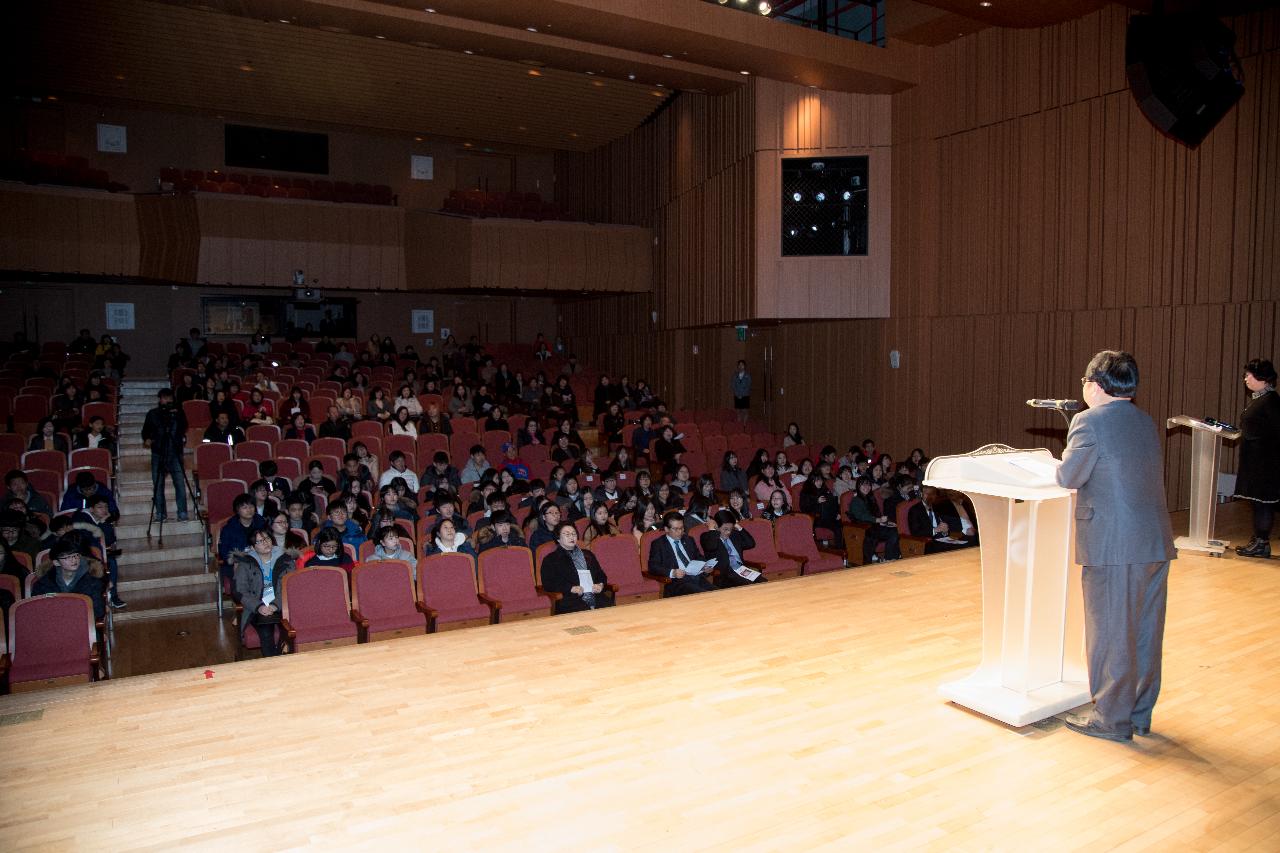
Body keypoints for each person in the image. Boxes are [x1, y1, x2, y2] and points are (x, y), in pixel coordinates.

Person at [1056, 350, 1175, 742]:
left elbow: (1070, 475)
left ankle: (1110, 718)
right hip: (1153, 540)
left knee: (1110, 632)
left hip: (1113, 544)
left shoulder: (1088, 421)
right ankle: (1138, 713)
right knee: (1144, 632)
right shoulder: (1144, 421)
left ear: (1093, 384)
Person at [1232, 358, 1279, 558]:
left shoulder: (1270, 401)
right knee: (1258, 503)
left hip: (1265, 463)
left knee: (1263, 503)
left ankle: (1262, 543)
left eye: (1249, 375)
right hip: (1257, 461)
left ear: (1263, 378)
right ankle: (1259, 538)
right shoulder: (1261, 398)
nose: (1246, 379)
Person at [233, 528, 297, 656]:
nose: (266, 543)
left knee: (288, 629)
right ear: (253, 547)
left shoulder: (286, 560)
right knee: (266, 631)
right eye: (260, 541)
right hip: (256, 608)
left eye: (267, 539)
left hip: (282, 605)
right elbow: (239, 590)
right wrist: (259, 607)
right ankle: (272, 666)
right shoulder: (246, 563)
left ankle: (280, 663)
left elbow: (291, 586)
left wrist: (275, 605)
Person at [540, 522, 614, 614]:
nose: (572, 537)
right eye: (567, 534)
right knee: (584, 611)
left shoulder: (588, 554)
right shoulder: (551, 559)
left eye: (574, 534)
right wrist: (570, 588)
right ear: (558, 538)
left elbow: (601, 574)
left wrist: (600, 585)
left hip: (594, 594)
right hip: (569, 598)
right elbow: (549, 583)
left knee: (610, 608)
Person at [141, 388, 189, 521]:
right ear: (160, 399)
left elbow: (184, 426)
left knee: (179, 483)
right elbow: (146, 431)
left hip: (175, 453)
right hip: (158, 452)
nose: (167, 400)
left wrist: (176, 414)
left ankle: (182, 512)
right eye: (164, 398)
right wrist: (148, 439)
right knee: (158, 484)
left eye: (170, 398)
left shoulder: (178, 413)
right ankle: (160, 513)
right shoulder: (153, 414)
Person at [33, 539, 106, 621]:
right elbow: (37, 612)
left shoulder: (92, 582)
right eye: (67, 557)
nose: (74, 560)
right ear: (56, 562)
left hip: (81, 624)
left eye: (76, 555)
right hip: (52, 625)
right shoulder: (43, 584)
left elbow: (98, 611)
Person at [646, 511, 716, 596]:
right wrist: (672, 572)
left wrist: (705, 567)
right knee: (704, 595)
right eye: (676, 529)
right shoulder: (658, 544)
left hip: (697, 578)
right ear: (666, 529)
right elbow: (653, 566)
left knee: (718, 593)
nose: (680, 532)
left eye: (682, 528)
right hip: (677, 583)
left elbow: (698, 557)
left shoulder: (688, 540)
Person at [700, 509, 766, 589]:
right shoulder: (707, 537)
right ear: (717, 526)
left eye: (730, 529)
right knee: (750, 586)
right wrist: (712, 530)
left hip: (742, 570)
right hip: (725, 575)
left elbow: (751, 544)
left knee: (764, 582)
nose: (728, 532)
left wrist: (738, 526)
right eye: (725, 529)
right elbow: (711, 546)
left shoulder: (734, 535)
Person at [847, 477, 901, 564]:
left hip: (875, 525)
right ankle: (886, 558)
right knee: (885, 533)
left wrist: (885, 522)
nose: (866, 487)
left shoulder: (871, 498)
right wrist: (877, 520)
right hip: (863, 528)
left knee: (895, 530)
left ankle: (891, 557)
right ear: (858, 486)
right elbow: (861, 516)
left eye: (868, 484)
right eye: (863, 484)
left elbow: (877, 513)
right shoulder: (856, 500)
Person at [217, 494, 268, 582]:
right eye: (244, 507)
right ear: (237, 510)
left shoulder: (261, 523)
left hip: (261, 559)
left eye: (251, 506)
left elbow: (269, 542)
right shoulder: (228, 529)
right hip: (238, 562)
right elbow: (224, 552)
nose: (249, 510)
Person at [731, 360, 751, 424]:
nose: (740, 366)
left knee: (745, 411)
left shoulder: (747, 376)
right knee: (738, 411)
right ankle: (739, 425)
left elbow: (748, 386)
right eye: (739, 365)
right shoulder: (735, 375)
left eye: (742, 365)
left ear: (744, 366)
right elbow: (733, 385)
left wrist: (742, 395)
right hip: (737, 396)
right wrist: (737, 394)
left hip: (745, 396)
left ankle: (744, 425)